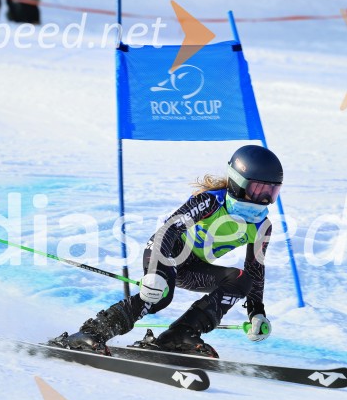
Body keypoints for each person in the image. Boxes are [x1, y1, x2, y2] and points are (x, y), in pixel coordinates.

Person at [52, 145, 282, 358]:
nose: (264, 199)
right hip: (168, 250)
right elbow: (169, 229)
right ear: (237, 182)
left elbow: (255, 268)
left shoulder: (262, 226)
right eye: (259, 189)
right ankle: (91, 333)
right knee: (158, 296)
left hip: (193, 268)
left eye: (271, 192)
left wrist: (256, 311)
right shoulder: (211, 202)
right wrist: (154, 272)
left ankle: (180, 334)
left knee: (242, 280)